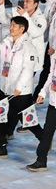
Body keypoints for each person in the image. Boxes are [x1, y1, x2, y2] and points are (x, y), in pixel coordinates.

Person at [0, 16, 44, 160]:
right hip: (5, 88)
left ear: (22, 29)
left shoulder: (28, 47)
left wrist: (18, 87)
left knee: (27, 121)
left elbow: (27, 70)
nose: (11, 28)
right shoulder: (7, 42)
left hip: (20, 92)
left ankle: (45, 140)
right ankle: (1, 147)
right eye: (11, 25)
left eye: (14, 26)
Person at [28, 36, 56, 171]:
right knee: (47, 132)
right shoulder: (54, 55)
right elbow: (51, 75)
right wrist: (42, 93)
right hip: (54, 103)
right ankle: (41, 160)